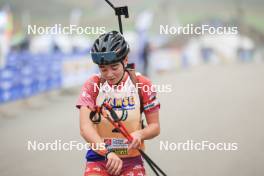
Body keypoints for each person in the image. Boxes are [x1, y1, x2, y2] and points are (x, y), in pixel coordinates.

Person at [76, 31, 160, 176]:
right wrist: (107, 152)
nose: (109, 74)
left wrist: (140, 134)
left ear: (125, 60)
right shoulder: (92, 85)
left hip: (131, 160)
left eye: (114, 67)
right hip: (100, 158)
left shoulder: (142, 84)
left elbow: (155, 127)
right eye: (103, 69)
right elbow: (85, 128)